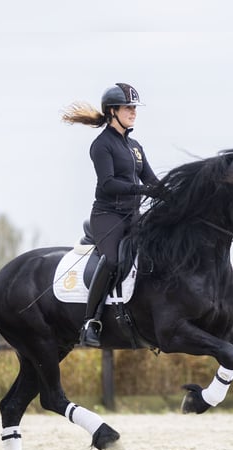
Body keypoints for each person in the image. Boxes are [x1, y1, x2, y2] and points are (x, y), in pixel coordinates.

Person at [62, 82, 159, 347]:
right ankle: (90, 321)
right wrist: (142, 189)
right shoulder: (101, 145)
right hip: (108, 216)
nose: (133, 112)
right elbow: (107, 184)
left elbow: (150, 179)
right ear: (112, 111)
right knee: (114, 260)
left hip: (133, 216)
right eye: (129, 107)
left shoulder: (136, 146)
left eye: (135, 108)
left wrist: (171, 192)